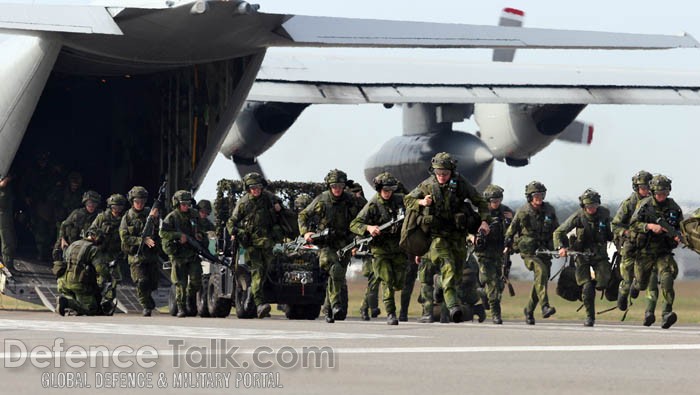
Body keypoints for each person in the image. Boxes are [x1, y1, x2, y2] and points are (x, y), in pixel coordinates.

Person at [404, 152, 491, 323]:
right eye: (438, 173)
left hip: (457, 236)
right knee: (448, 267)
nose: (441, 176)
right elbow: (407, 200)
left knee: (457, 274)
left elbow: (480, 201)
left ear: (451, 171)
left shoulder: (461, 184)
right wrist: (421, 202)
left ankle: (440, 285)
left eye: (445, 173)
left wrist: (484, 222)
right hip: (437, 237)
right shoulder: (427, 185)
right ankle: (453, 306)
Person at [298, 169, 359, 323]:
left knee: (336, 277)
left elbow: (364, 216)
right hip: (326, 245)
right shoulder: (322, 199)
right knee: (335, 269)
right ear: (329, 186)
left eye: (340, 185)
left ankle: (327, 308)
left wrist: (359, 239)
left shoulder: (352, 200)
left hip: (345, 244)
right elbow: (303, 215)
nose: (337, 189)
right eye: (334, 186)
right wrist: (305, 233)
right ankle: (337, 304)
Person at [350, 172, 405, 325]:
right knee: (386, 280)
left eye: (390, 190)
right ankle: (391, 313)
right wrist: (368, 227)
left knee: (399, 282)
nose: (388, 193)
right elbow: (354, 224)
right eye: (385, 190)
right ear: (379, 189)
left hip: (398, 248)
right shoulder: (373, 205)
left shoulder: (400, 200)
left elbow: (413, 204)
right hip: (380, 249)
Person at [628, 174, 683, 329]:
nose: (661, 196)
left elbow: (680, 227)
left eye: (664, 193)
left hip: (663, 252)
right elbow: (632, 225)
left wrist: (679, 236)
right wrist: (649, 227)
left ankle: (666, 313)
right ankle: (636, 285)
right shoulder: (645, 205)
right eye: (659, 193)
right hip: (645, 252)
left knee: (667, 279)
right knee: (644, 284)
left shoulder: (673, 207)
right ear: (652, 192)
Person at [553, 189, 613, 327]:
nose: (591, 209)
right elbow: (559, 232)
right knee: (586, 288)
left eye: (593, 205)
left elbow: (615, 229)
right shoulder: (578, 217)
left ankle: (592, 285)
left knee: (604, 282)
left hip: (600, 255)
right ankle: (589, 317)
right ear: (583, 206)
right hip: (581, 256)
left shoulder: (605, 214)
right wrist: (561, 247)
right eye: (588, 206)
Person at [227, 172, 284, 319]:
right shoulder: (243, 203)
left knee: (268, 271)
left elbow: (278, 203)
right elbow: (231, 223)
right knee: (258, 272)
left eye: (258, 187)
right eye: (253, 188)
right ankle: (259, 304)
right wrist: (239, 232)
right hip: (252, 244)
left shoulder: (268, 198)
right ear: (248, 188)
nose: (256, 190)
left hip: (268, 243)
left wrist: (278, 206)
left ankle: (251, 297)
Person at [505, 181, 559, 325]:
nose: (539, 197)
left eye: (541, 195)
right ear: (530, 196)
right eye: (536, 195)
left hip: (545, 251)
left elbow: (557, 230)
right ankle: (545, 306)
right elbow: (511, 231)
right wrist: (508, 245)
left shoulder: (550, 210)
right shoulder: (523, 212)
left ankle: (528, 310)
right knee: (540, 271)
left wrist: (562, 245)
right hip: (529, 253)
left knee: (541, 280)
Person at [611, 170, 653, 312]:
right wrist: (626, 232)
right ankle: (623, 294)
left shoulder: (655, 203)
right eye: (643, 188)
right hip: (629, 245)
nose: (646, 191)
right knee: (627, 277)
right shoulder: (629, 204)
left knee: (642, 282)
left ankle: (637, 286)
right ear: (636, 188)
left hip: (647, 246)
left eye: (648, 187)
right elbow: (615, 225)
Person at [161, 190, 206, 318]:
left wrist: (200, 235)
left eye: (188, 204)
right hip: (178, 254)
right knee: (180, 283)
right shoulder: (172, 217)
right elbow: (163, 233)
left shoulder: (194, 215)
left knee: (196, 280)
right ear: (177, 204)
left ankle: (190, 299)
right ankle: (181, 307)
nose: (186, 207)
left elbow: (203, 228)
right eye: (183, 204)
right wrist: (178, 236)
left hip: (192, 253)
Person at [474, 184, 514, 324]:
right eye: (493, 201)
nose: (496, 203)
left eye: (498, 200)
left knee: (500, 284)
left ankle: (483, 294)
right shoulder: (480, 214)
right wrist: (474, 237)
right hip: (484, 254)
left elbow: (515, 230)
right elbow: (469, 231)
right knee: (492, 283)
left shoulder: (506, 212)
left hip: (500, 253)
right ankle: (496, 315)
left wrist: (509, 222)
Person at [119, 186, 160, 317]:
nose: (140, 204)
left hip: (151, 256)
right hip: (136, 257)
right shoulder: (127, 217)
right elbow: (125, 238)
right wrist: (142, 240)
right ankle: (146, 306)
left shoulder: (150, 213)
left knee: (152, 284)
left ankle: (148, 300)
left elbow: (161, 231)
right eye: (137, 201)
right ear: (132, 201)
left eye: (142, 201)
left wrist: (155, 220)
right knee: (141, 282)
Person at [87, 193, 127, 314]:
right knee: (101, 278)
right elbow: (91, 230)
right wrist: (95, 236)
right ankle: (97, 300)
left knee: (114, 279)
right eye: (115, 208)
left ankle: (108, 301)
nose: (117, 210)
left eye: (120, 208)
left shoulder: (125, 219)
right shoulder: (102, 217)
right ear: (110, 207)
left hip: (115, 253)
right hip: (101, 253)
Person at [347, 182, 380, 321]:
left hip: (370, 248)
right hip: (355, 246)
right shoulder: (347, 207)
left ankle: (368, 307)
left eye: (358, 192)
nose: (357, 195)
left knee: (375, 278)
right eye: (354, 192)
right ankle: (368, 307)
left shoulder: (367, 206)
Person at [51, 190, 101, 280]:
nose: (92, 206)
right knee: (57, 252)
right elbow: (64, 225)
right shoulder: (77, 214)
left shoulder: (99, 216)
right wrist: (62, 239)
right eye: (89, 203)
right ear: (85, 203)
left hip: (90, 245)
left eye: (94, 204)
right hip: (73, 243)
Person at [55, 234, 102, 316]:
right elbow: (101, 269)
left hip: (63, 283)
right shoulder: (92, 249)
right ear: (95, 237)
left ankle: (69, 304)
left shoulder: (73, 244)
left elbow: (64, 256)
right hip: (79, 284)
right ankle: (66, 303)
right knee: (91, 309)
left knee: (77, 300)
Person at [0, 175, 16, 272]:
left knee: (9, 240)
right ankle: (7, 267)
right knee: (7, 240)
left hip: (6, 213)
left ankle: (7, 266)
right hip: (2, 215)